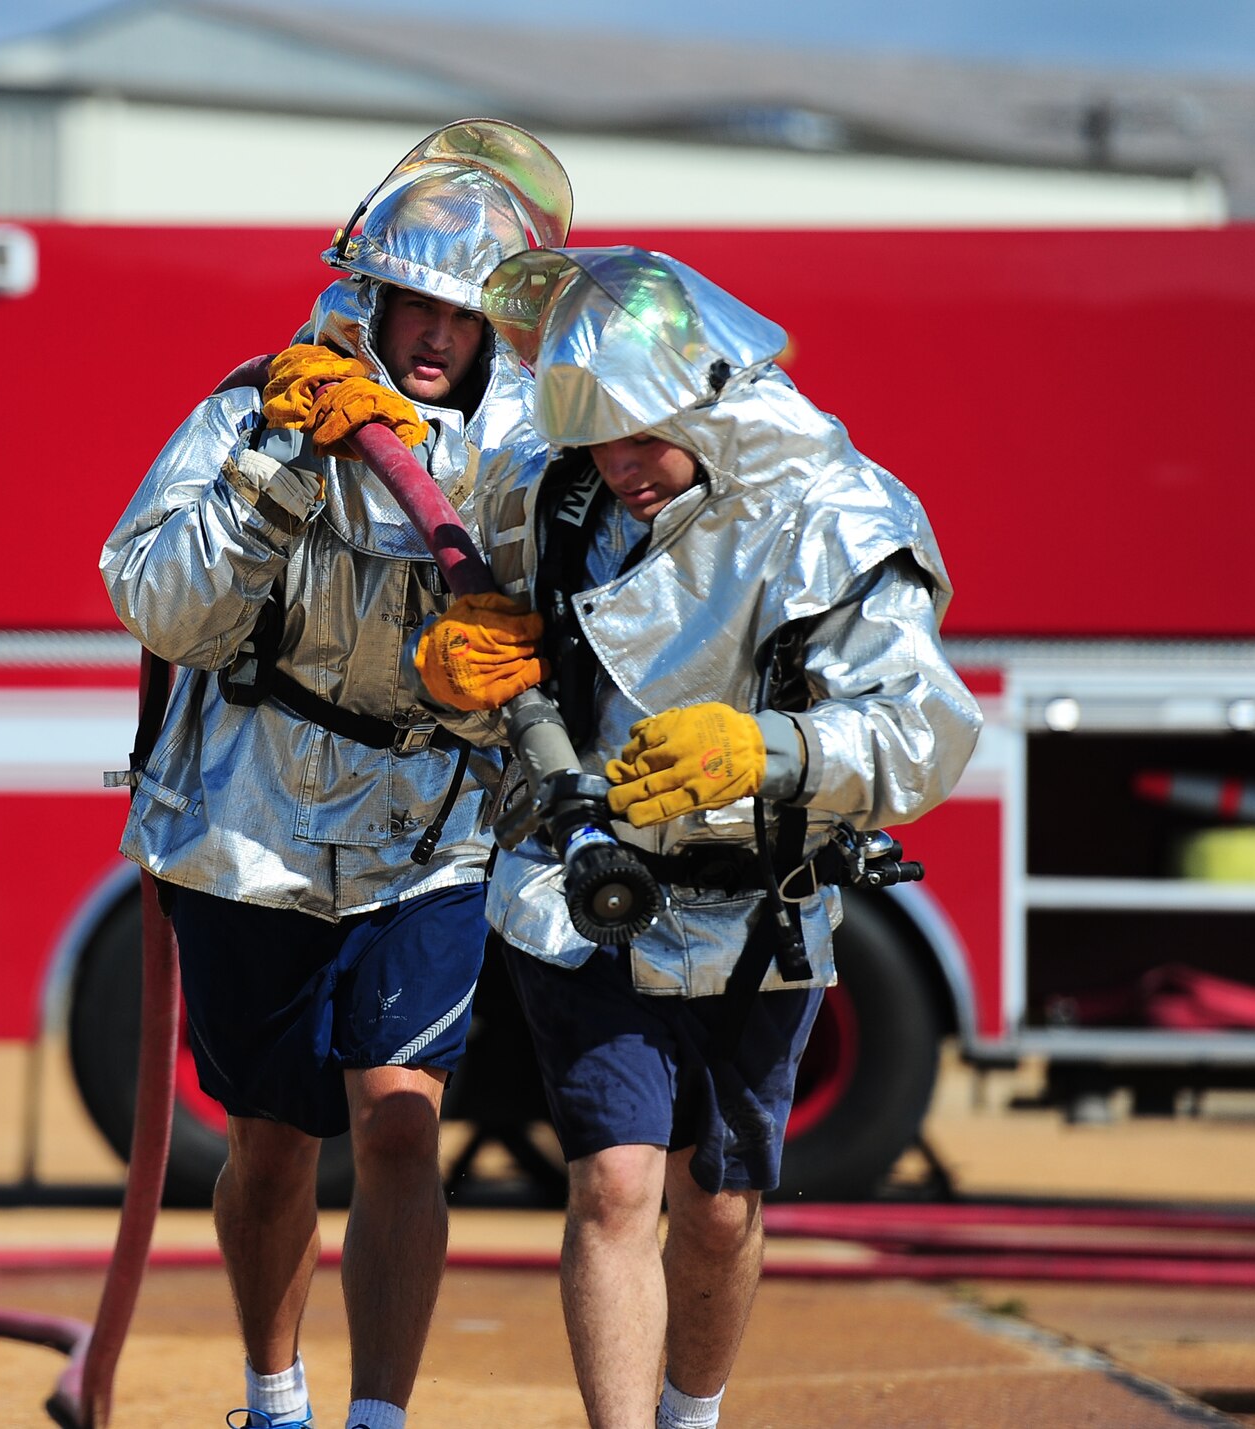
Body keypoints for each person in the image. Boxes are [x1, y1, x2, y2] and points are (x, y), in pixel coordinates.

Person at [413, 247, 982, 1429]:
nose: (617, 467)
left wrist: (769, 750)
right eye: (596, 439)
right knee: (612, 1182)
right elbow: (453, 586)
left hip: (757, 903)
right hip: (581, 883)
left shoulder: (830, 512)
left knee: (715, 1203)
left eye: (639, 436)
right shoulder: (558, 493)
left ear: (704, 392)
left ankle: (691, 1414)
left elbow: (923, 733)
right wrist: (448, 669)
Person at [100, 120, 569, 1429]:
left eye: (466, 313)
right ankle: (274, 1396)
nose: (437, 334)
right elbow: (163, 610)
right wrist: (275, 465)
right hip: (248, 818)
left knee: (403, 1121)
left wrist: (505, 658)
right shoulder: (257, 405)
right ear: (368, 294)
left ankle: (381, 1416)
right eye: (416, 301)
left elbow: (598, 626)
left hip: (434, 819)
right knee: (268, 1137)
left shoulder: (537, 457)